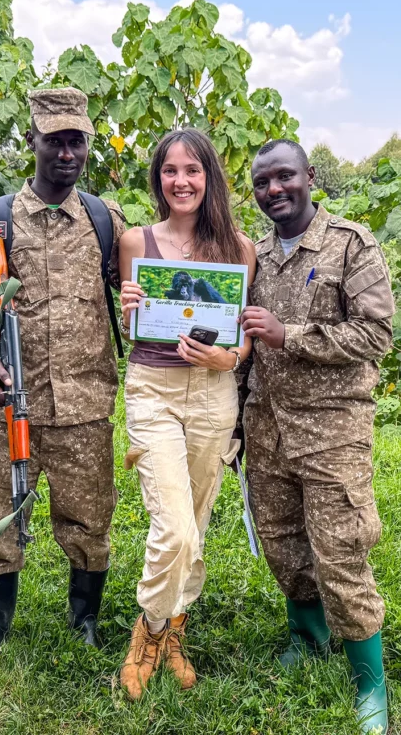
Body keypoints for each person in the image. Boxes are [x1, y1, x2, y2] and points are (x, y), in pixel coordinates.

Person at [0, 88, 126, 678]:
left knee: (90, 521)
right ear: (31, 141)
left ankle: (85, 620)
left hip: (85, 408)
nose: (66, 153)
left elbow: (142, 294)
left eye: (76, 142)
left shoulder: (105, 221)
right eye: (54, 141)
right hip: (9, 404)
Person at [240, 139, 394, 734]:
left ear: (309, 176)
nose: (273, 190)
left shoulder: (350, 244)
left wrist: (291, 334)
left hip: (333, 428)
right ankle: (308, 637)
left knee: (341, 549)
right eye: (262, 182)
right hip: (267, 424)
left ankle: (369, 681)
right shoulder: (253, 256)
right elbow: (239, 342)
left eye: (284, 177)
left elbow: (376, 334)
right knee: (282, 542)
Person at [116, 128, 257, 700]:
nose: (181, 181)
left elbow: (243, 335)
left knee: (195, 525)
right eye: (170, 170)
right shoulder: (135, 241)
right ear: (158, 179)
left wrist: (231, 357)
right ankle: (149, 631)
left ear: (209, 177)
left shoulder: (239, 248)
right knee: (173, 527)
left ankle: (175, 626)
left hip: (214, 393)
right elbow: (134, 328)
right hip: (154, 388)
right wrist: (128, 307)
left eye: (192, 170)